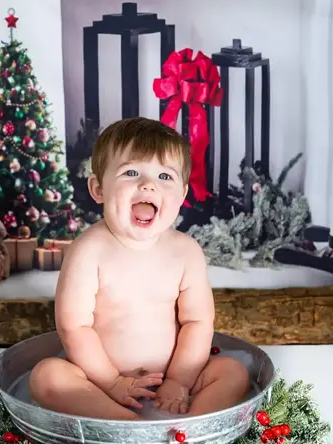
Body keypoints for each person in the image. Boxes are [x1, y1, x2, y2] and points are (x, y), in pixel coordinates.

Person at [29, 117, 249, 420]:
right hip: (99, 381)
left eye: (165, 176)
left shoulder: (186, 252)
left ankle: (192, 431)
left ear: (182, 195)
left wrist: (179, 381)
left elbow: (197, 322)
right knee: (48, 377)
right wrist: (111, 382)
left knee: (233, 372)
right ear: (98, 189)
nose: (148, 184)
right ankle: (126, 424)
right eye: (131, 172)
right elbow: (73, 326)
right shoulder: (87, 250)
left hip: (175, 381)